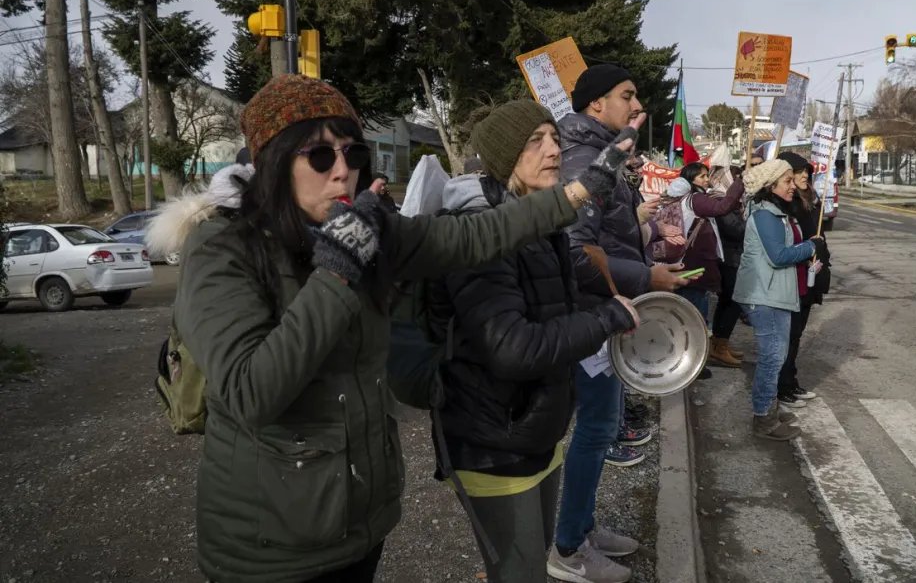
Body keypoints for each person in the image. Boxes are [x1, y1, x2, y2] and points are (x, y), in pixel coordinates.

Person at [147, 74, 636, 583]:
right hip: (271, 543)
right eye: (319, 156)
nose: (342, 173)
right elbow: (251, 392)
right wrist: (337, 272)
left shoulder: (365, 227)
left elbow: (473, 234)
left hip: (359, 519)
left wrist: (579, 192)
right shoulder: (224, 248)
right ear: (271, 163)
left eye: (353, 155)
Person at [429, 100, 640, 583]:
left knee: (533, 564)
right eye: (534, 141)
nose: (553, 150)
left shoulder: (539, 224)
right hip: (494, 443)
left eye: (554, 138)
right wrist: (606, 317)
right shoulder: (478, 230)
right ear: (504, 157)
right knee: (519, 574)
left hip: (533, 431)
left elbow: (552, 316)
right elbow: (512, 347)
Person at [551, 63, 688, 583]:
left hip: (602, 312)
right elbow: (575, 250)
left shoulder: (600, 154)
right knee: (595, 429)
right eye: (627, 96)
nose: (637, 107)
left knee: (601, 426)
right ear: (594, 105)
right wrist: (646, 273)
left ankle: (581, 527)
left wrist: (640, 224)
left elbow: (605, 236)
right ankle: (567, 547)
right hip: (587, 315)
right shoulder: (583, 158)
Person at [733, 159, 822, 441]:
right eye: (786, 181)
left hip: (774, 293)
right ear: (770, 186)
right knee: (772, 359)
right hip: (764, 294)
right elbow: (778, 256)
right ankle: (763, 419)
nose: (792, 185)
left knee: (777, 355)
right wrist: (811, 247)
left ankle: (768, 409)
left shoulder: (775, 211)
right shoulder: (765, 215)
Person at [661, 163, 744, 339]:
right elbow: (722, 208)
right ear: (691, 180)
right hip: (695, 266)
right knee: (695, 318)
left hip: (685, 262)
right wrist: (740, 182)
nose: (707, 180)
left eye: (707, 176)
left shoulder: (682, 198)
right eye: (702, 177)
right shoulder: (696, 199)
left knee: (685, 313)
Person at [777, 152, 831, 408]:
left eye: (806, 172)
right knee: (787, 334)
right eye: (798, 172)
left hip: (811, 275)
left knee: (796, 334)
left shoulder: (809, 201)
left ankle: (790, 381)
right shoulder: (786, 205)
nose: (804, 176)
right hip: (795, 275)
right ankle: (781, 385)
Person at [710, 165, 747, 366]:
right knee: (732, 302)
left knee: (728, 302)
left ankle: (720, 343)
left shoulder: (731, 201)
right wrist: (749, 220)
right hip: (729, 258)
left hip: (733, 257)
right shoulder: (720, 200)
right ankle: (719, 346)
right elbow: (736, 230)